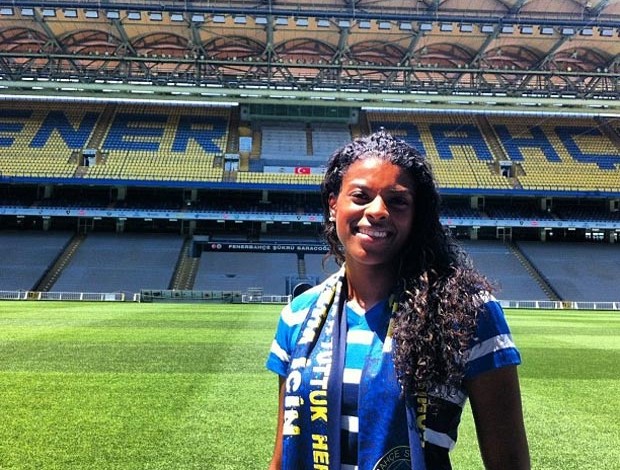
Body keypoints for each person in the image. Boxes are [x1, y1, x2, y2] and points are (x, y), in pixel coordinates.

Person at [266, 130, 530, 470]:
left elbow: (509, 463)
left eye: (397, 200)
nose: (377, 211)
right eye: (360, 196)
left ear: (415, 215)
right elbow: (282, 456)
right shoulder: (297, 317)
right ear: (334, 204)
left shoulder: (468, 313)